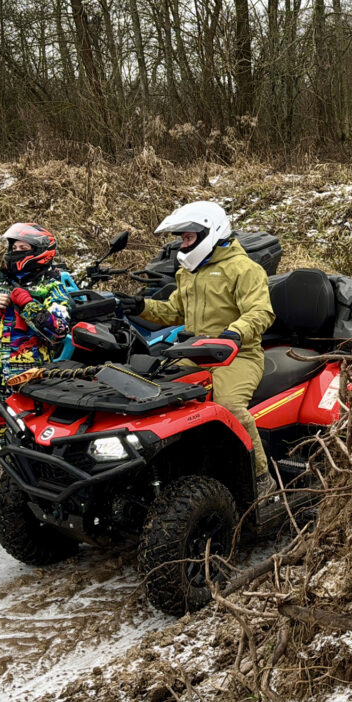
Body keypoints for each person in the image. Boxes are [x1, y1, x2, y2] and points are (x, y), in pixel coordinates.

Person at [116, 201, 278, 498]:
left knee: (229, 407)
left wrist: (235, 333)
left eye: (187, 236)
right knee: (160, 400)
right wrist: (142, 306)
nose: (182, 242)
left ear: (209, 231)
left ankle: (261, 476)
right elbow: (175, 311)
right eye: (181, 237)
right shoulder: (189, 271)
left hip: (237, 354)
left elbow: (261, 312)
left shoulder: (244, 269)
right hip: (195, 353)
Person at [0, 223, 71, 433]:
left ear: (39, 251)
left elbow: (59, 331)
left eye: (23, 249)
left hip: (29, 376)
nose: (16, 253)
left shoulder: (51, 286)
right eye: (14, 248)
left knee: (28, 431)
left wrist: (27, 303)